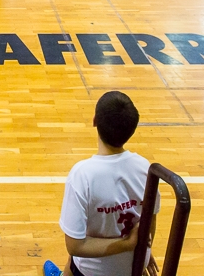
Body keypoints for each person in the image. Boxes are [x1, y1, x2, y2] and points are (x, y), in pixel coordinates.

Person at [42, 91, 160, 276]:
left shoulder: (82, 175)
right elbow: (150, 220)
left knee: (75, 254)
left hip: (93, 271)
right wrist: (143, 251)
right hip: (134, 266)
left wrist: (127, 244)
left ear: (94, 121)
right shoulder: (146, 168)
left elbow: (74, 246)